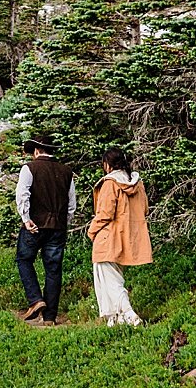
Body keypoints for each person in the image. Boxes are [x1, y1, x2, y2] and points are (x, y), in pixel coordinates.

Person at [15, 134, 76, 324]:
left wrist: (26, 219)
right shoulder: (66, 171)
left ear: (36, 150)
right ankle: (50, 317)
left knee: (24, 259)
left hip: (35, 225)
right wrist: (64, 222)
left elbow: (22, 195)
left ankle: (35, 300)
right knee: (53, 269)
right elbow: (71, 204)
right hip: (57, 227)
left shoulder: (29, 168)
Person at [86, 147, 151, 326]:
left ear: (107, 165)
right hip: (128, 238)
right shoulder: (136, 183)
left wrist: (91, 231)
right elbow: (144, 209)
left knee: (108, 278)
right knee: (115, 276)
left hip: (107, 238)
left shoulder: (110, 183)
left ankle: (128, 313)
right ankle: (116, 320)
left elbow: (105, 213)